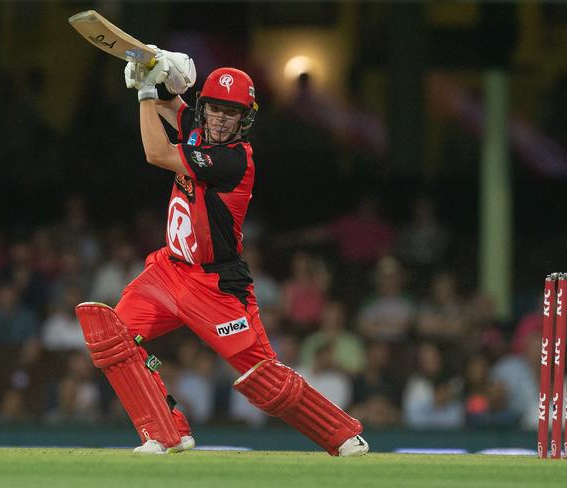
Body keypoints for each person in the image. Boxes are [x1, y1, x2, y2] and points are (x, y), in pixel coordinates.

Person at [74, 48, 368, 456]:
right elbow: (174, 107)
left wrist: (145, 91)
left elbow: (156, 153)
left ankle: (341, 434)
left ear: (244, 119)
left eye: (232, 113)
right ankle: (165, 431)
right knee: (116, 340)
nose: (221, 119)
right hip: (168, 271)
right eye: (215, 109)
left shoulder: (233, 160)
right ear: (205, 107)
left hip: (216, 285)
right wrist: (161, 77)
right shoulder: (199, 124)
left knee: (264, 379)